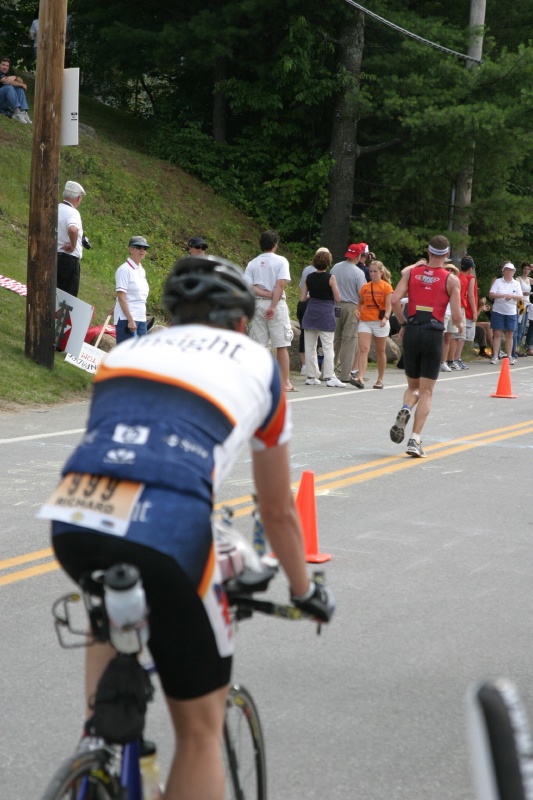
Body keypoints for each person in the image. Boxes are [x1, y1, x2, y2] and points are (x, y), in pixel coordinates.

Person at [45, 255, 334, 800]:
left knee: (110, 594)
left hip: (77, 511)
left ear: (173, 314)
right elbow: (276, 510)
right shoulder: (258, 365)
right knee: (200, 733)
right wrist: (305, 590)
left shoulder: (125, 353)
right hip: (171, 528)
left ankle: (99, 746)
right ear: (241, 322)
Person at [389, 235, 462, 458]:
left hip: (412, 330)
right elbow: (457, 316)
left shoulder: (412, 273)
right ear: (447, 254)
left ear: (428, 252)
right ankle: (415, 439)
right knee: (427, 391)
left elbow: (394, 301)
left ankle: (405, 408)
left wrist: (403, 323)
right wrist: (459, 326)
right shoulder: (451, 280)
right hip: (432, 333)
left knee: (413, 387)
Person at [245, 229, 296, 392]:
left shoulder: (252, 263)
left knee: (259, 345)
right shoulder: (281, 261)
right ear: (275, 244)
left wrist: (265, 294)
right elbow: (280, 284)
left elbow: (249, 286)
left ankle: (260, 381)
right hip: (277, 305)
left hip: (258, 303)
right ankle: (284, 382)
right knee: (281, 344)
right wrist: (273, 305)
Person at [300, 248, 344, 387]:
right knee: (327, 346)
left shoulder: (309, 278)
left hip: (311, 312)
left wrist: (311, 296)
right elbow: (338, 297)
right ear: (328, 263)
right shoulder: (330, 278)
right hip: (325, 313)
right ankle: (330, 376)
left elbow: (302, 298)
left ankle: (311, 376)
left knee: (310, 346)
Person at [353, 261, 393, 389]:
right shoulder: (365, 287)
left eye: (375, 271)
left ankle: (380, 379)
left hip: (379, 322)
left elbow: (389, 306)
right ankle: (360, 377)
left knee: (380, 351)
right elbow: (360, 303)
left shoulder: (386, 287)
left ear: (381, 272)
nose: (372, 274)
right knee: (363, 349)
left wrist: (386, 318)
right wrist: (356, 310)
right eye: (370, 271)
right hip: (365, 320)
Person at [330, 244, 366, 384]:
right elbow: (362, 294)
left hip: (335, 306)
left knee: (334, 339)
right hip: (352, 307)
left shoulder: (335, 267)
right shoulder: (358, 272)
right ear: (357, 256)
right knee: (350, 340)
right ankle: (345, 374)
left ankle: (328, 371)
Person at [114, 236, 151, 344]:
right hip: (127, 318)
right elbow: (121, 296)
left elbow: (135, 294)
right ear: (131, 249)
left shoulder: (141, 270)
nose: (142, 250)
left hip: (141, 317)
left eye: (145, 248)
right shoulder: (124, 270)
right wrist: (130, 319)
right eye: (139, 247)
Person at [448, 255, 477, 370]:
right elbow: (469, 295)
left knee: (454, 335)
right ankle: (455, 359)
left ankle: (452, 359)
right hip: (459, 307)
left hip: (455, 306)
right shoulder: (464, 279)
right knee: (458, 335)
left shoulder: (456, 277)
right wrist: (474, 311)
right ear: (470, 268)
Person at [489, 261, 521, 365]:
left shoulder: (516, 283)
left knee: (510, 334)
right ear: (503, 271)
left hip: (511, 312)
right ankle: (495, 355)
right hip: (498, 310)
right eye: (506, 270)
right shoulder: (498, 281)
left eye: (510, 270)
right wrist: (502, 295)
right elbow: (491, 294)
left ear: (513, 272)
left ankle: (509, 356)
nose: (508, 272)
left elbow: (520, 297)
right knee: (497, 333)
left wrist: (512, 296)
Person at [57, 180, 86, 297]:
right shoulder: (73, 213)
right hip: (68, 261)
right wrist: (73, 245)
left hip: (52, 257)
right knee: (66, 299)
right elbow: (73, 229)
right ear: (78, 198)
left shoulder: (56, 208)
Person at [0, 56, 32, 124]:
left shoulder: (8, 74)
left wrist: (15, 76)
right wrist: (22, 85)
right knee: (9, 87)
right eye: (3, 65)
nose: (5, 67)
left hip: (4, 103)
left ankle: (23, 112)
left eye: (7, 66)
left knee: (19, 89)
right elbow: (6, 81)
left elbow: (21, 81)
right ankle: (16, 112)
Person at [515, 261, 533, 353]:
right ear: (522, 269)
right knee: (520, 325)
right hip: (520, 303)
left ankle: (521, 345)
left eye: (528, 269)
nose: (526, 271)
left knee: (525, 325)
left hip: (528, 304)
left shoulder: (529, 280)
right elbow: (514, 291)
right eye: (525, 269)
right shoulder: (518, 279)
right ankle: (516, 347)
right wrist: (522, 293)